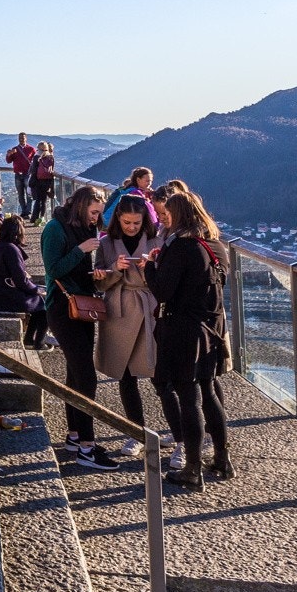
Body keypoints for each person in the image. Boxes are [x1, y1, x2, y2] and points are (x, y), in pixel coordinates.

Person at [146, 190, 234, 490]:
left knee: (189, 399)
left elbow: (162, 291)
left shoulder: (182, 247)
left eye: (166, 215)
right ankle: (222, 459)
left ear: (178, 216)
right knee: (208, 393)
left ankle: (193, 469)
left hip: (184, 331)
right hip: (212, 328)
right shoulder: (214, 245)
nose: (163, 220)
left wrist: (149, 266)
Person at [93, 194, 177, 462]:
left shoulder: (158, 240)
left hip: (149, 308)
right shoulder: (106, 243)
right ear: (118, 218)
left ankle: (179, 435)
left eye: (136, 222)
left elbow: (168, 279)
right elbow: (98, 282)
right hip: (119, 312)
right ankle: (135, 432)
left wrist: (150, 267)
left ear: (146, 219)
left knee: (159, 375)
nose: (131, 227)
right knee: (125, 375)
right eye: (127, 222)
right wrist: (113, 270)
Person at [42, 185, 116, 469]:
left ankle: (74, 435)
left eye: (99, 215)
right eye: (94, 213)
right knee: (86, 376)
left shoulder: (87, 228)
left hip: (83, 304)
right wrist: (80, 250)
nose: (97, 219)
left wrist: (97, 273)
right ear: (81, 207)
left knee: (76, 374)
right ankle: (87, 446)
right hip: (62, 308)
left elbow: (80, 270)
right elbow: (53, 269)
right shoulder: (54, 228)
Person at [0, 216, 47, 350]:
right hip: (5, 297)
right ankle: (38, 343)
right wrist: (36, 290)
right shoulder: (11, 249)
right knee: (46, 303)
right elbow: (21, 280)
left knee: (38, 302)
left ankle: (30, 339)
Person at [5, 133, 37, 221]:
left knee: (29, 194)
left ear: (26, 138)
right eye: (20, 138)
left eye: (23, 138)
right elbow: (8, 161)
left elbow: (35, 160)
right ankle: (24, 211)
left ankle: (28, 212)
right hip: (18, 175)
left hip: (27, 174)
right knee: (20, 194)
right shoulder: (15, 149)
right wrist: (9, 154)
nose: (21, 139)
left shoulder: (31, 149)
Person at [28, 141, 57, 225]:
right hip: (47, 181)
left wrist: (32, 181)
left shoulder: (37, 156)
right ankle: (42, 218)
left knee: (37, 200)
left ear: (38, 148)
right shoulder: (51, 157)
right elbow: (52, 170)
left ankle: (34, 218)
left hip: (38, 181)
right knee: (44, 200)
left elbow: (34, 170)